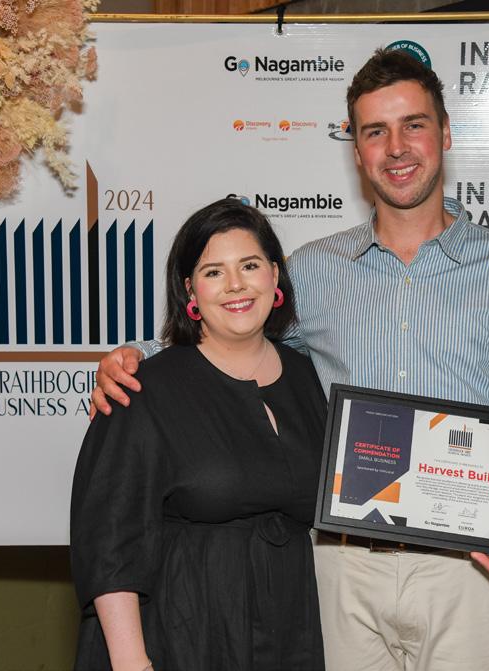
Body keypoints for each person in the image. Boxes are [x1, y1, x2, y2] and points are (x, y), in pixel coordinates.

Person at [91, 49, 489, 671]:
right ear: (356, 150)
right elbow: (239, 335)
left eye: (413, 125)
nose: (396, 148)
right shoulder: (315, 271)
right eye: (375, 131)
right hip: (339, 567)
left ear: (446, 134)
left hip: (469, 567)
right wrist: (141, 357)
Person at [70, 199, 326, 671]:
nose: (235, 284)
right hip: (180, 633)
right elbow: (109, 541)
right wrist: (132, 662)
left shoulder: (308, 378)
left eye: (249, 265)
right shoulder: (141, 388)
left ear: (275, 275)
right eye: (213, 272)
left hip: (289, 630)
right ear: (190, 289)